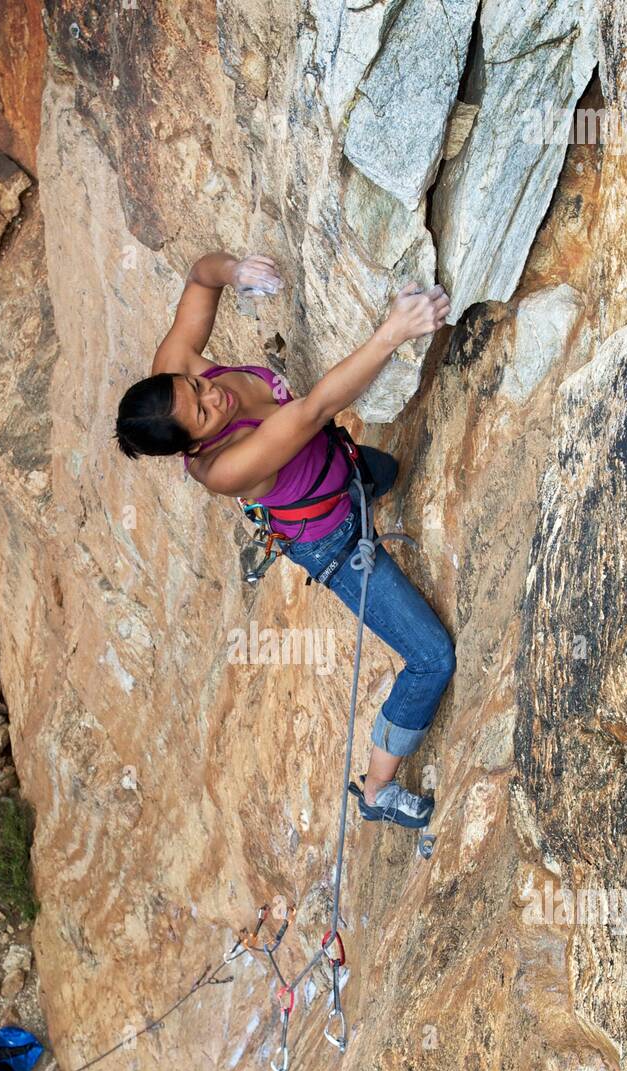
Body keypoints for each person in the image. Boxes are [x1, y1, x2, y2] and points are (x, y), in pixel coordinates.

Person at [114, 251, 455, 829]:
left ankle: (374, 488)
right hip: (335, 543)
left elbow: (201, 276)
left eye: (198, 384)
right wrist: (394, 330)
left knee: (389, 473)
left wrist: (235, 270)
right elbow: (317, 406)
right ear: (188, 446)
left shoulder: (173, 372)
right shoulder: (221, 469)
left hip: (344, 471)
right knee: (431, 659)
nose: (213, 396)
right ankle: (376, 792)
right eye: (200, 413)